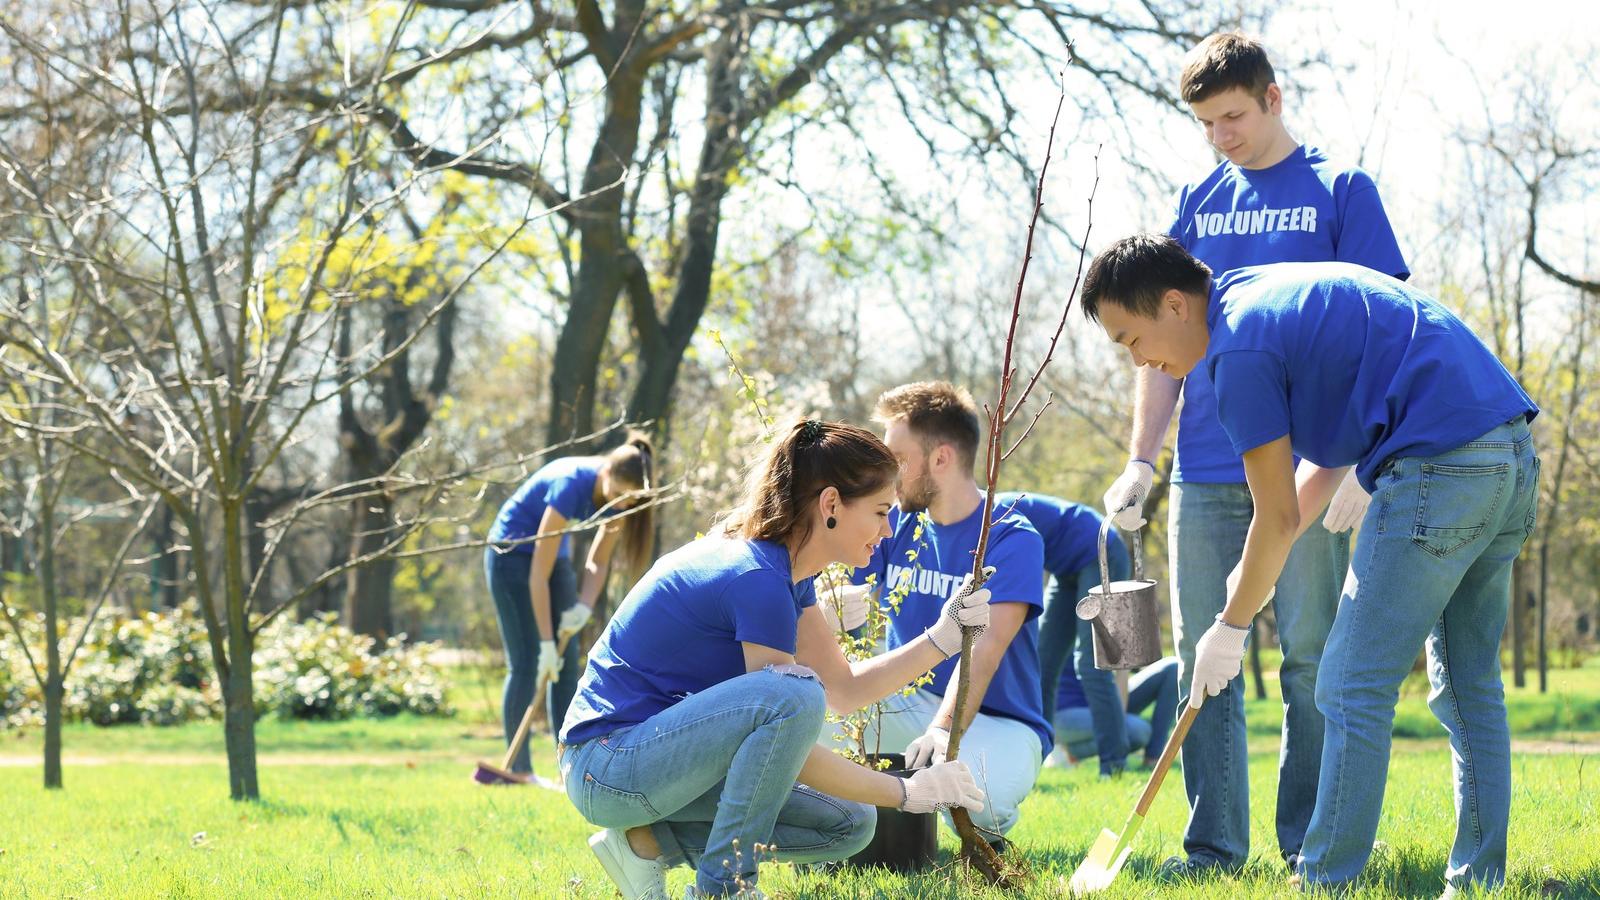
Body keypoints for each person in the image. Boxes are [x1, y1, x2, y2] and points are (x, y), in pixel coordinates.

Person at [1082, 233, 1539, 893]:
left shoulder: (1237, 348)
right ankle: (1477, 884)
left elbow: (1277, 517)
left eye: (1131, 340)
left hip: (1439, 465)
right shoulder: (1262, 298)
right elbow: (1321, 464)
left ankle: (1324, 882)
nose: (1141, 363)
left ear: (1175, 305)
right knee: (1468, 686)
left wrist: (1229, 629)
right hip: (1508, 454)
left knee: (1350, 684)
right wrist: (1249, 581)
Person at [1099, 32, 1411, 874]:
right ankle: (1214, 850)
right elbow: (1159, 340)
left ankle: (1310, 843)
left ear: (1273, 99)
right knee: (1209, 659)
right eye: (1205, 123)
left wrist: (1354, 467)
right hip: (1205, 468)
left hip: (1308, 463)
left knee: (1312, 656)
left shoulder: (1341, 191)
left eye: (1232, 116)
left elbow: (1381, 333)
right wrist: (1142, 459)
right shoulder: (1198, 204)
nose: (1221, 137)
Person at [560, 419, 991, 900]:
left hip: (653, 763)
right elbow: (790, 724)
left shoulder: (788, 574)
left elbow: (843, 692)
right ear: (831, 504)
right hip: (605, 766)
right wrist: (908, 792)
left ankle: (645, 844)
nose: (887, 530)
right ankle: (725, 888)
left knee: (849, 823)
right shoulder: (757, 577)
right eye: (879, 512)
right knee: (795, 693)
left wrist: (942, 638)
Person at [843, 382, 1051, 846]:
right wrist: (835, 598)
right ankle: (840, 829)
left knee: (983, 798)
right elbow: (841, 587)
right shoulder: (893, 522)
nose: (888, 473)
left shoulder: (1011, 537)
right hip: (904, 700)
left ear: (941, 459)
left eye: (898, 459)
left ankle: (961, 821)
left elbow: (987, 647)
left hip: (996, 720)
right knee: (810, 711)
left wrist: (940, 732)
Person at [484, 433, 655, 776]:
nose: (621, 504)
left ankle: (570, 768)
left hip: (550, 557)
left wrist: (584, 607)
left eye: (629, 500)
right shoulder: (569, 484)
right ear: (605, 472)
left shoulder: (618, 500)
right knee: (527, 661)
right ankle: (518, 770)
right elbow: (537, 575)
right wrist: (546, 642)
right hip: (511, 554)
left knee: (565, 660)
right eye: (618, 495)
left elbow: (598, 562)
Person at [993, 490, 1135, 777]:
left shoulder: (997, 514)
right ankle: (1035, 758)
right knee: (1042, 664)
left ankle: (1114, 765)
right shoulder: (976, 523)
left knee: (1091, 664)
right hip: (1066, 569)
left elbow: (1016, 578)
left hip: (1100, 552)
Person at [1051, 656, 1180, 771]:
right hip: (1067, 712)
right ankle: (1068, 750)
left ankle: (1154, 759)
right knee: (1139, 730)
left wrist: (1124, 665)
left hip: (1105, 699)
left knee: (1172, 667)